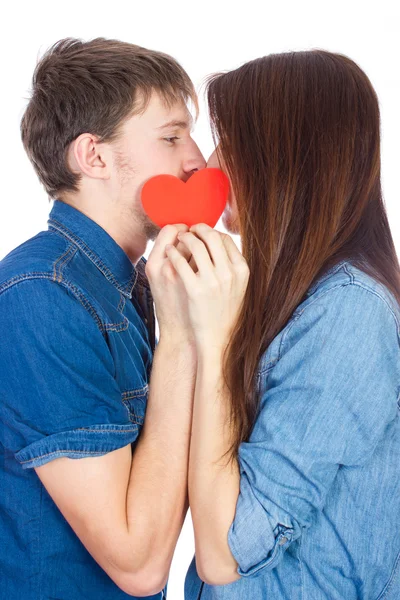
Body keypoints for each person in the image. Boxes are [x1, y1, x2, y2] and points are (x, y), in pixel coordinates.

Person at [153, 50, 400, 599]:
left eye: (230, 140)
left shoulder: (349, 314)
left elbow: (226, 553)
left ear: (285, 155)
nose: (207, 162)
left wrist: (214, 340)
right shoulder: (291, 299)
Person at [0, 37, 205, 599]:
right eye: (171, 137)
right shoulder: (42, 295)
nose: (196, 160)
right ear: (93, 156)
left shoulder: (130, 283)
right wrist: (185, 337)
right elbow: (137, 565)